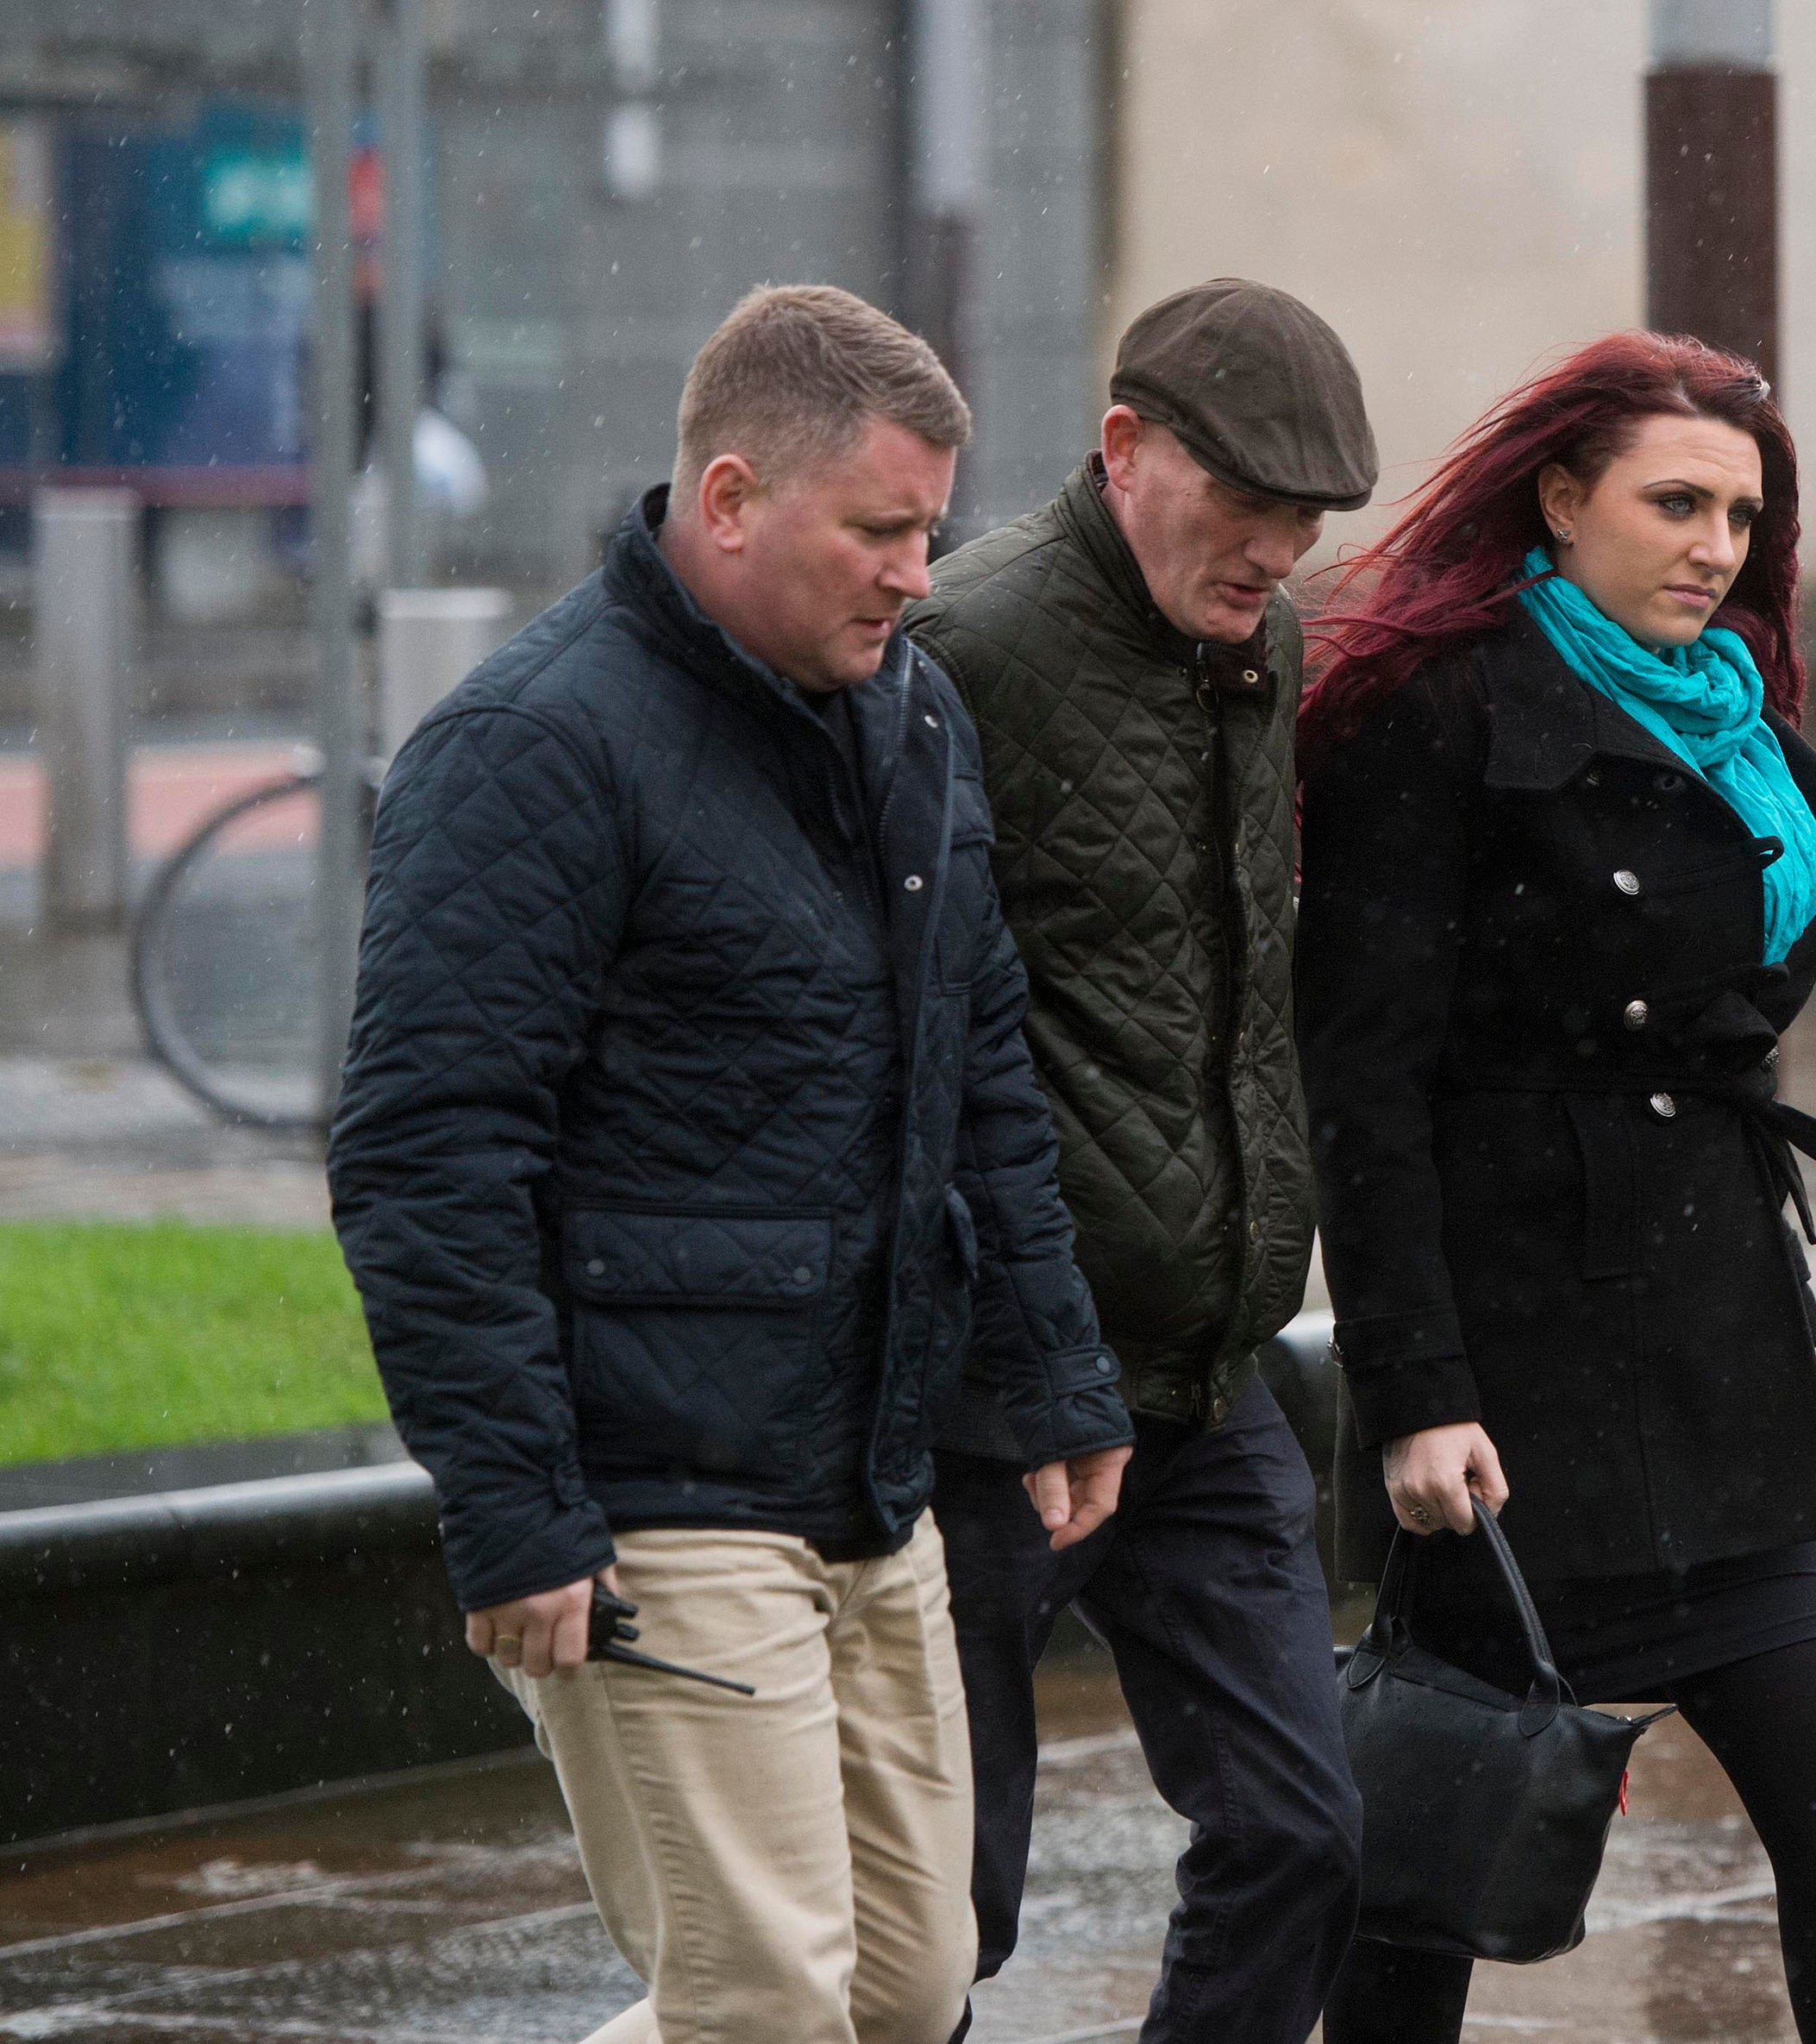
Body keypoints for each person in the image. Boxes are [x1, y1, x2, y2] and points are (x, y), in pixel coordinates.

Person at [328, 284, 1137, 2044]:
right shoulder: (529, 746)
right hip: (649, 1492)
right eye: (878, 530)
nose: (918, 573)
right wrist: (514, 1504)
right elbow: (423, 1154)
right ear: (729, 498)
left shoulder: (909, 720)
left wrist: (1061, 1373)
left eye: (929, 529)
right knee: (767, 1998)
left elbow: (981, 1068)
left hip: (871, 1474)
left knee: (910, 1992)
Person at [1295, 331, 1816, 2043]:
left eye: (1741, 512)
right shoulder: (1433, 720)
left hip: (1713, 1355)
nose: (1715, 546)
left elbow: (1731, 1010)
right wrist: (1415, 1391)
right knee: (1435, 1853)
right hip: (1512, 1372)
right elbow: (1367, 1083)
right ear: (1561, 499)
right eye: (1673, 502)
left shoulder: (1749, 740)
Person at [905, 279, 1376, 2042]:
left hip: (1207, 1375)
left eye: (1306, 520)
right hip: (995, 1389)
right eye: (1243, 502)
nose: (1276, 548)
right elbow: (910, 1043)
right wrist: (1016, 1358)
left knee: (1301, 1835)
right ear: (1123, 451)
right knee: (946, 1906)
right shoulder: (960, 649)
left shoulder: (1267, 639)